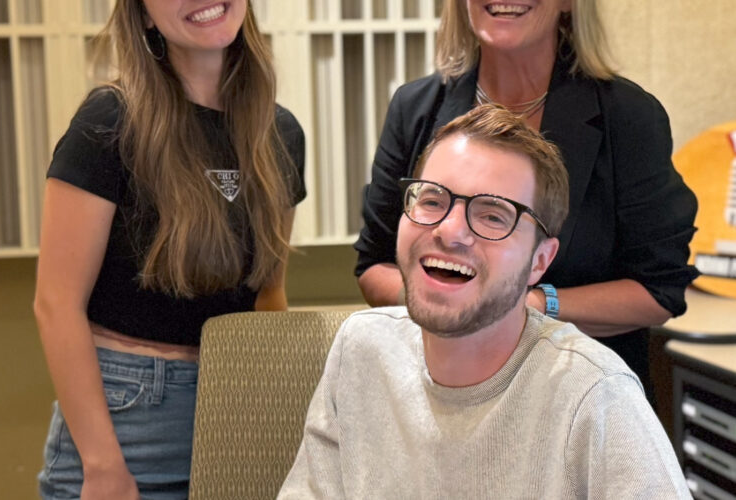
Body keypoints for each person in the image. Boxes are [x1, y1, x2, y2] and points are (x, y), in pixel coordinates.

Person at [279, 105, 690, 499]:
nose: (450, 230)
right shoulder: (361, 351)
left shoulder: (595, 397)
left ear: (539, 261)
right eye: (432, 200)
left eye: (493, 215)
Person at [354, 0, 698, 399]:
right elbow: (373, 266)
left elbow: (659, 292)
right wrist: (448, 305)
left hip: (581, 398)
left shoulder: (628, 116)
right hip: (444, 390)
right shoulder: (414, 109)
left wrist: (527, 305)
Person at [33, 1, 305, 498]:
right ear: (141, 15)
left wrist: (271, 409)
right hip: (126, 422)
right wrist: (102, 465)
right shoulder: (108, 122)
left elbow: (270, 295)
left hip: (235, 407)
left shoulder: (281, 133)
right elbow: (56, 305)